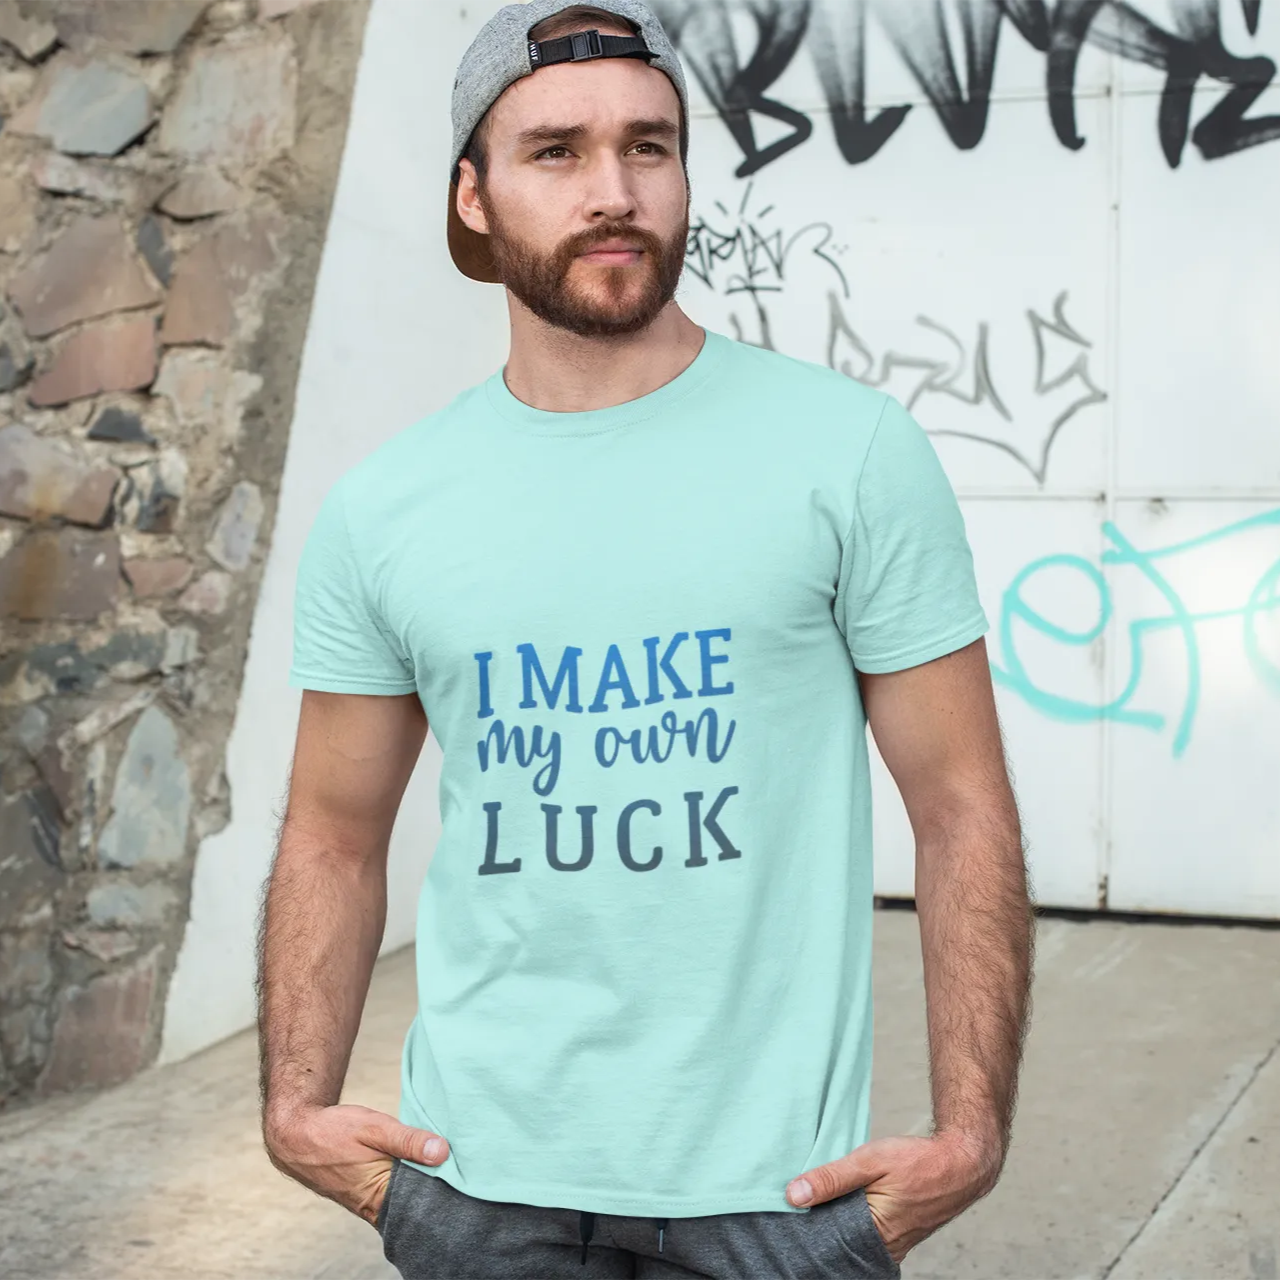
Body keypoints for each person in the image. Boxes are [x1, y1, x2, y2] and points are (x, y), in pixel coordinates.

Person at [257, 1, 1034, 1276]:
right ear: (472, 194)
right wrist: (297, 1108)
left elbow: (960, 805)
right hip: (479, 1190)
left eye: (649, 147)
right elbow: (333, 833)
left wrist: (970, 1132)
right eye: (554, 152)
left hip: (777, 1198)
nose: (612, 191)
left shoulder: (845, 450)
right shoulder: (386, 509)